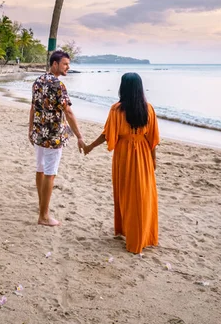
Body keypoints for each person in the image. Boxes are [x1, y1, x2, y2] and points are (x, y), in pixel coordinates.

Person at [84, 73, 159, 254]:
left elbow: (107, 134)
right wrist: (153, 160)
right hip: (143, 153)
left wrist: (90, 146)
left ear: (122, 88)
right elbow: (153, 139)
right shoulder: (148, 109)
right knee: (143, 195)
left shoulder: (116, 110)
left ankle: (127, 231)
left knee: (125, 193)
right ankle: (143, 235)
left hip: (124, 154)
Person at [29, 50, 85, 226]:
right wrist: (79, 136)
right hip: (53, 135)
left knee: (40, 169)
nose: (68, 67)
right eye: (65, 64)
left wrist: (30, 129)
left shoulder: (37, 81)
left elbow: (33, 107)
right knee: (50, 172)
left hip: (39, 132)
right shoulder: (58, 85)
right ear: (55, 64)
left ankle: (41, 206)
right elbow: (68, 111)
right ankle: (44, 216)